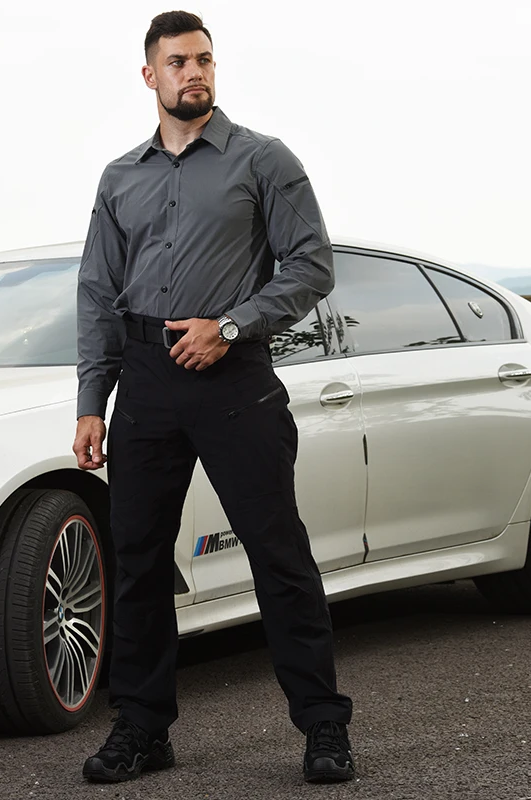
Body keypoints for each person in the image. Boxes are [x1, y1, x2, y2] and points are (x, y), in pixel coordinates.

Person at [73, 10, 354, 785]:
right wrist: (92, 400)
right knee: (135, 561)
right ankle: (141, 728)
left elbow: (311, 265)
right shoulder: (119, 178)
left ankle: (324, 727)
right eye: (177, 62)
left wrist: (231, 325)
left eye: (203, 59)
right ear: (149, 76)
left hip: (233, 377)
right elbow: (97, 292)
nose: (193, 72)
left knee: (277, 553)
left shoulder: (263, 160)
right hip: (146, 380)